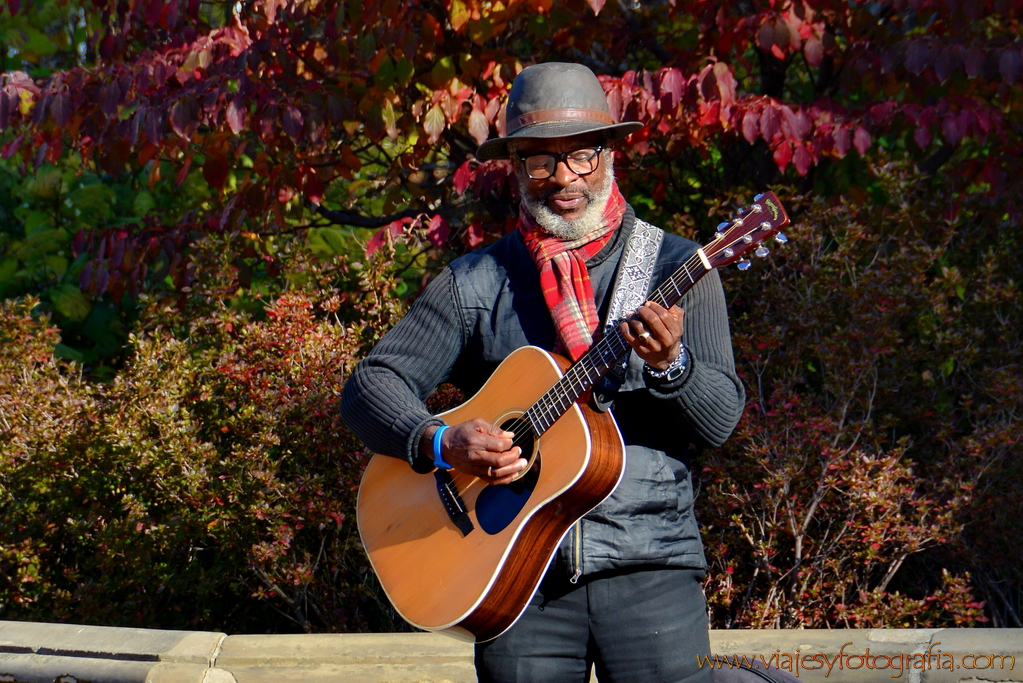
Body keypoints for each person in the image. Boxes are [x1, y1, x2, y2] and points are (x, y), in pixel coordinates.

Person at [340, 62, 744, 683]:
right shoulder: (476, 281)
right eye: (540, 161)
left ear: (608, 154)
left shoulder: (676, 265)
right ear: (513, 166)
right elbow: (371, 386)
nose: (563, 179)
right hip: (517, 579)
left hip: (650, 570)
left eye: (582, 156)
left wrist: (673, 366)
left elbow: (720, 420)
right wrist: (442, 443)